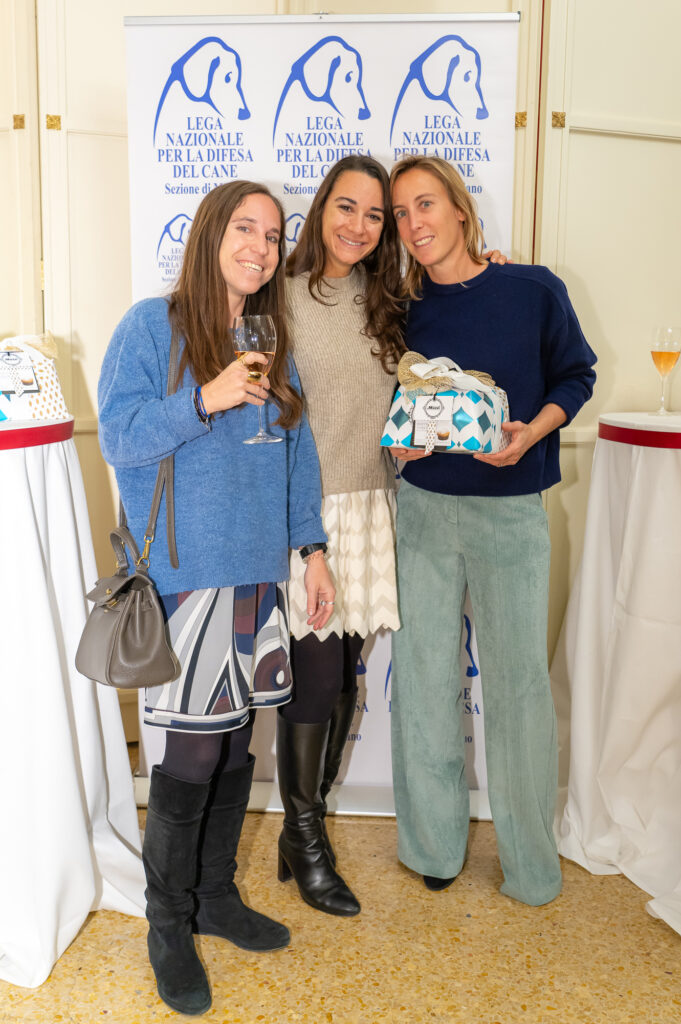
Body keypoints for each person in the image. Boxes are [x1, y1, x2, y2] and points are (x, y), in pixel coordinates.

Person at [98, 180, 335, 1017]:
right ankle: (168, 924)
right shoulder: (149, 327)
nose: (261, 248)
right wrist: (206, 397)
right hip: (185, 577)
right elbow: (119, 436)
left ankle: (216, 898)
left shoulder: (272, 337)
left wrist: (310, 551)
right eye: (246, 229)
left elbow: (297, 455)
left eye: (273, 236)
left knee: (236, 749)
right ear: (211, 234)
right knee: (191, 755)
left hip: (258, 575)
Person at [388, 155, 597, 906]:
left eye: (426, 205)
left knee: (517, 689)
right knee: (422, 681)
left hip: (512, 510)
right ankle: (434, 846)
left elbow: (577, 376)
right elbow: (393, 412)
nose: (415, 224)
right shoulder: (400, 309)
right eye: (402, 213)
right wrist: (400, 444)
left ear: (460, 210)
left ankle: (532, 865)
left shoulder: (533, 289)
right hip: (423, 511)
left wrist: (533, 432)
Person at [278, 156, 405, 916]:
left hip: (372, 509)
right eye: (346, 208)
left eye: (375, 215)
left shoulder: (390, 301)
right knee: (317, 680)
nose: (359, 226)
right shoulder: (282, 298)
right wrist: (303, 540)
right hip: (308, 518)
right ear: (321, 208)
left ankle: (301, 833)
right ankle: (308, 837)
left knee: (347, 678)